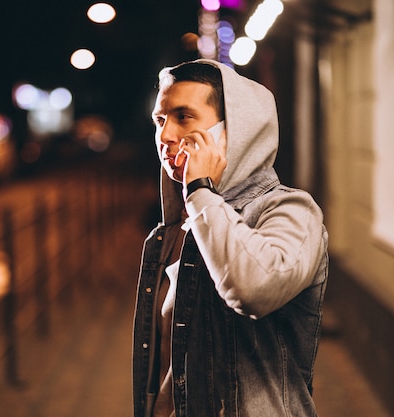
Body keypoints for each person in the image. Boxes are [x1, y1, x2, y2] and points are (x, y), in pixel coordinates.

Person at [132, 59, 328, 417]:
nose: (165, 136)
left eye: (184, 117)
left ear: (235, 130)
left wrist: (200, 190)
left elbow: (253, 289)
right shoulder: (179, 226)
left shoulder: (292, 211)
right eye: (160, 120)